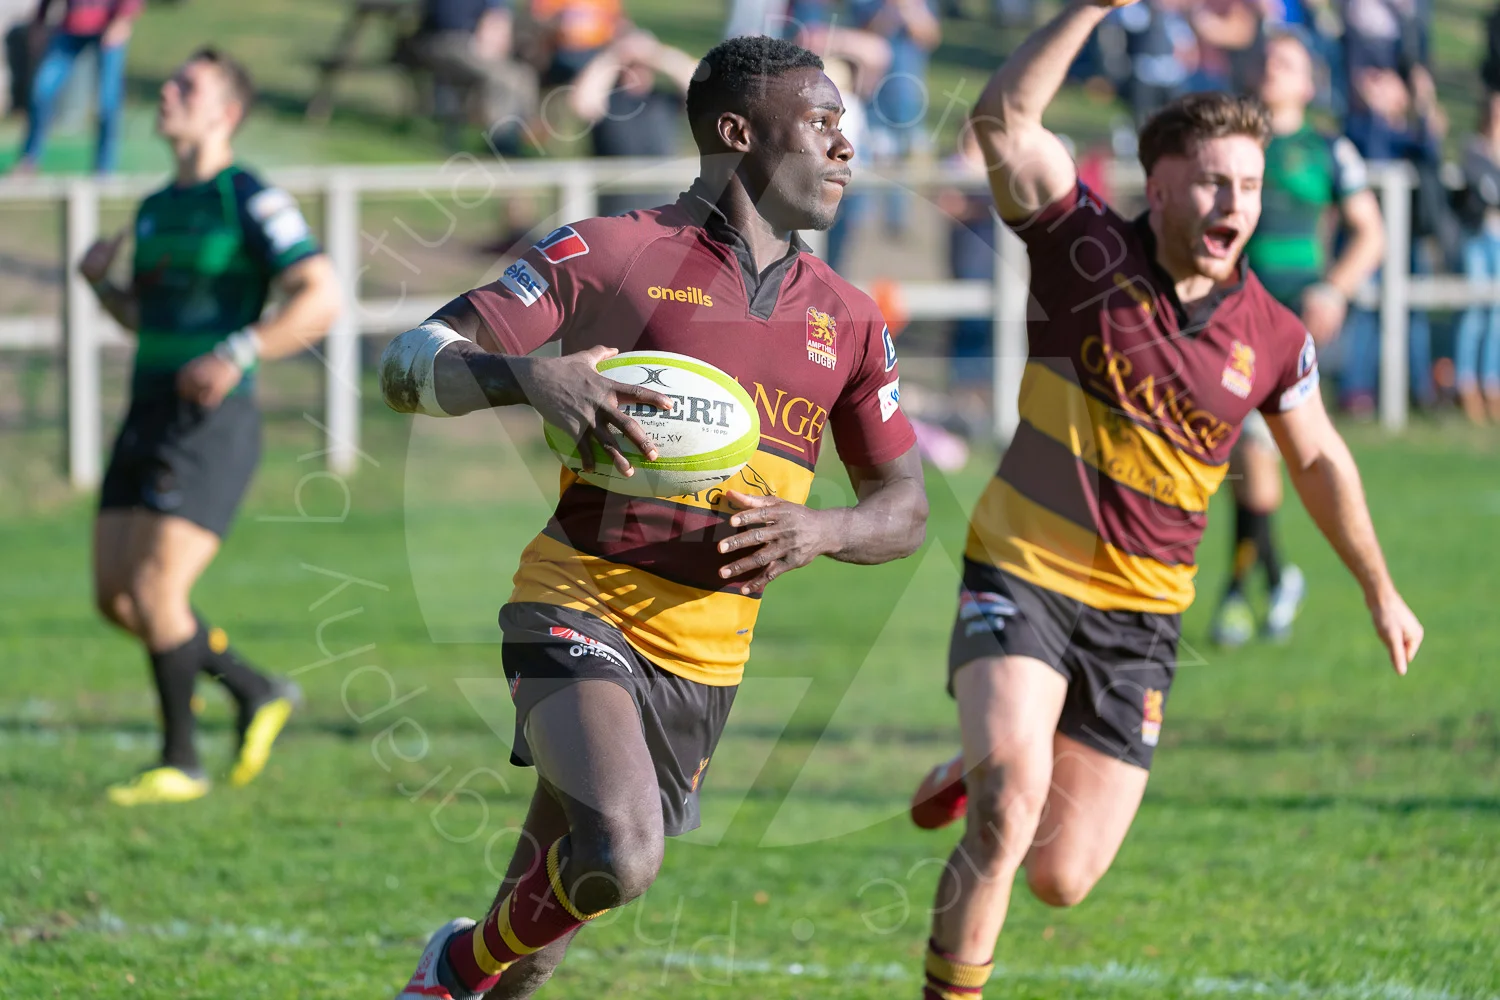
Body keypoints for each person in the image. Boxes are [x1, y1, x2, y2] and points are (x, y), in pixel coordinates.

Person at [381, 34, 927, 1000]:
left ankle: (469, 972)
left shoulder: (848, 317)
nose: (846, 146)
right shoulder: (609, 253)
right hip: (577, 602)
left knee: (550, 932)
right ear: (738, 133)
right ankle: (457, 965)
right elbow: (407, 364)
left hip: (708, 660)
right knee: (625, 853)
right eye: (821, 122)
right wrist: (530, 378)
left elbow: (906, 508)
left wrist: (823, 531)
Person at [904, 4, 1423, 998]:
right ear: (1164, 180)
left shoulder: (1271, 335)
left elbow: (1319, 459)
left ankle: (988, 758)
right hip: (1024, 572)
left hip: (1141, 618)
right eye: (1217, 182)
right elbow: (1004, 122)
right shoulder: (1083, 246)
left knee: (1061, 876)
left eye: (1252, 187)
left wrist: (1379, 588)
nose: (1238, 204)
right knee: (1010, 814)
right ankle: (998, 774)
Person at [80, 48, 340, 806]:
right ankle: (256, 689)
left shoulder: (249, 197)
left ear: (226, 113)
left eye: (185, 86)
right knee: (116, 597)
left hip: (210, 422)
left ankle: (181, 763)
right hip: (147, 409)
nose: (166, 91)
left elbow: (320, 294)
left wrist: (236, 351)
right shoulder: (156, 206)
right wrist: (103, 287)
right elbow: (146, 318)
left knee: (156, 588)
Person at [1209, 27, 1384, 647]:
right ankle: (1273, 580)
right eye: (1264, 58)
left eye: (1286, 61)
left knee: (1254, 450)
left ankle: (1241, 591)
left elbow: (1370, 232)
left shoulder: (1329, 149)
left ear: (1311, 83)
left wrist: (1334, 288)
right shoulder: (1231, 146)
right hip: (1231, 319)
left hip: (1290, 324)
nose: (1271, 66)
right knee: (1243, 452)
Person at [11, 0, 141, 175]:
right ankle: (29, 159)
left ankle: (104, 169)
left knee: (108, 101)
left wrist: (123, 18)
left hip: (109, 26)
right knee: (42, 90)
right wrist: (39, 22)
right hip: (71, 27)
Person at [406, 0, 539, 145]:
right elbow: (448, 21)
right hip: (441, 42)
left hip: (473, 46)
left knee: (524, 75)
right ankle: (501, 140)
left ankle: (522, 135)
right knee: (503, 78)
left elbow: (498, 19)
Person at [1453, 91, 1500, 424]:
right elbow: (1483, 191)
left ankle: (1491, 383)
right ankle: (1466, 384)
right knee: (1473, 311)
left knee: (1497, 317)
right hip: (1477, 237)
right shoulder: (1473, 149)